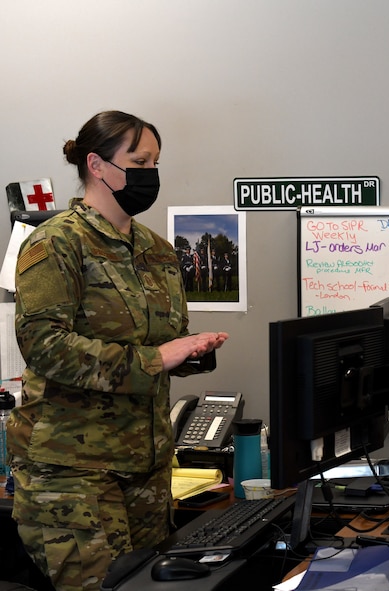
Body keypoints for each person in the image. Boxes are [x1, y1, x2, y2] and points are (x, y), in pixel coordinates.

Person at [7, 110, 229, 591]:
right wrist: (157, 359)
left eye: (155, 162)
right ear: (98, 165)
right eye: (139, 160)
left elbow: (160, 342)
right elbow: (44, 346)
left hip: (145, 468)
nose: (150, 173)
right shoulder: (55, 243)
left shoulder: (157, 250)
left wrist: (190, 351)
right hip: (72, 473)